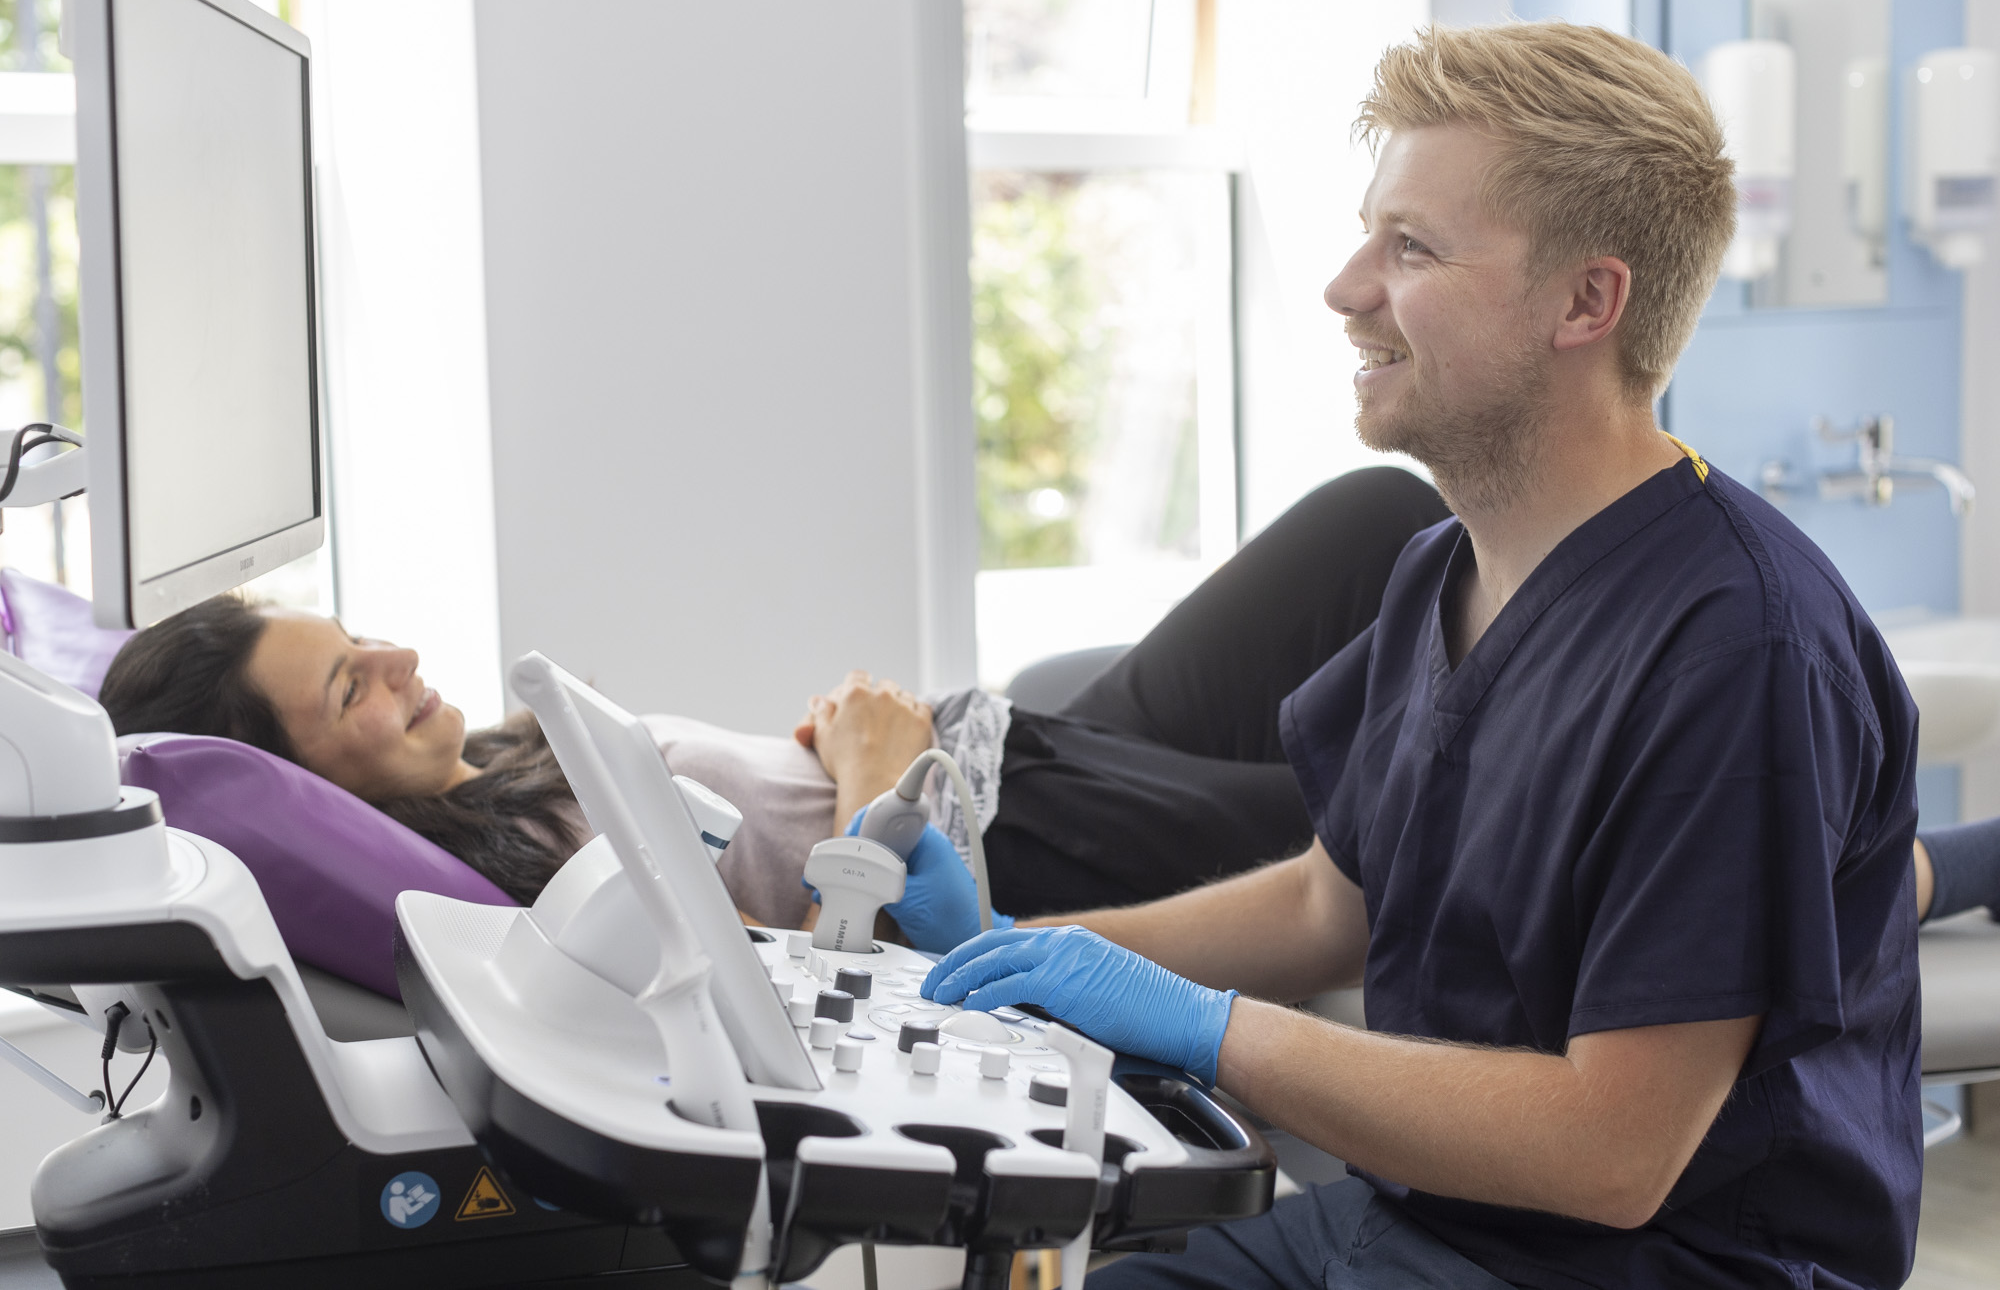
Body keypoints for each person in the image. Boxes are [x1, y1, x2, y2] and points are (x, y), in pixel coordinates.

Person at [920, 23, 1926, 1289]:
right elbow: (1322, 904)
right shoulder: (1440, 571)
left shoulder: (1735, 647)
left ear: (1585, 301)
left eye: (1410, 246)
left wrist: (1211, 1031)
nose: (1345, 287)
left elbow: (1612, 1151)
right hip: (1421, 1221)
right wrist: (1024, 942)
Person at [95, 465, 1454, 932]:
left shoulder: (501, 765)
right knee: (1419, 805)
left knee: (1376, 519)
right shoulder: (535, 883)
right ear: (313, 779)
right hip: (1014, 842)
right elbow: (812, 983)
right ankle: (1618, 748)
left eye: (364, 639)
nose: (397, 662)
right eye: (353, 687)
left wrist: (831, 753)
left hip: (988, 747)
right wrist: (871, 782)